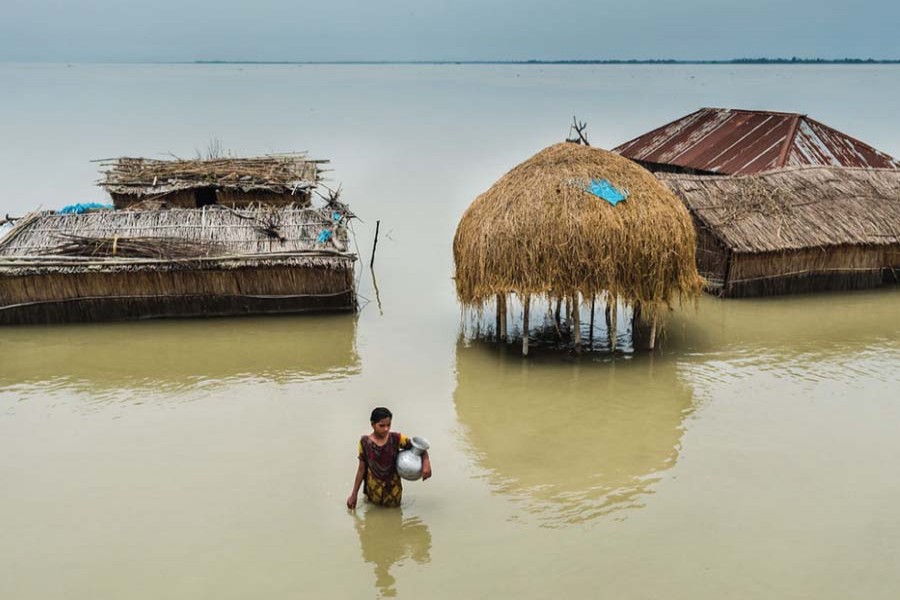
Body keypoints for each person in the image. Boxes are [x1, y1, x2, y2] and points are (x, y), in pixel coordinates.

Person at [347, 407, 431, 509]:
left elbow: (419, 448)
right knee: (372, 518)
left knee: (394, 517)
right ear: (372, 425)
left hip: (393, 491)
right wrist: (354, 494)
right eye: (381, 425)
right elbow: (361, 469)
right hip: (373, 490)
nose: (386, 429)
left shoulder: (397, 438)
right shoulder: (364, 442)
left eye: (388, 425)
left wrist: (426, 463)